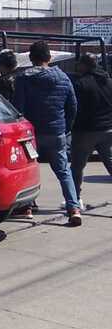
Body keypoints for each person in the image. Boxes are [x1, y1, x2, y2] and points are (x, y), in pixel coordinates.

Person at [13, 40, 81, 225]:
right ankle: (74, 208)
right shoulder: (63, 77)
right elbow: (73, 106)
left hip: (30, 134)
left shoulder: (23, 78)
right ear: (49, 57)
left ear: (31, 58)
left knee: (29, 169)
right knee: (63, 171)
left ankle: (27, 207)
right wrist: (65, 127)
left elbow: (18, 108)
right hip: (56, 131)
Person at [70, 53, 112, 199]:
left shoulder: (81, 83)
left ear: (84, 65)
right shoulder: (109, 81)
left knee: (76, 167)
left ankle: (75, 200)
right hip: (107, 130)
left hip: (85, 131)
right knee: (110, 163)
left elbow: (74, 107)